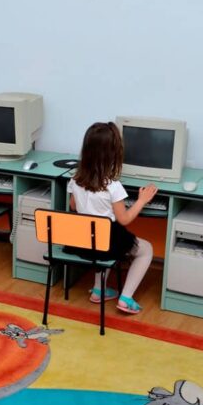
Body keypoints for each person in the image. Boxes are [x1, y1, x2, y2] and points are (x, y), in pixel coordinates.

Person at [67, 122, 157, 314]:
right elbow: (124, 219)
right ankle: (126, 298)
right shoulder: (113, 187)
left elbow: (73, 206)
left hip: (83, 241)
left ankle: (98, 291)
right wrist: (142, 200)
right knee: (146, 249)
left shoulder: (75, 179)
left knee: (103, 236)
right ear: (113, 154)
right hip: (104, 243)